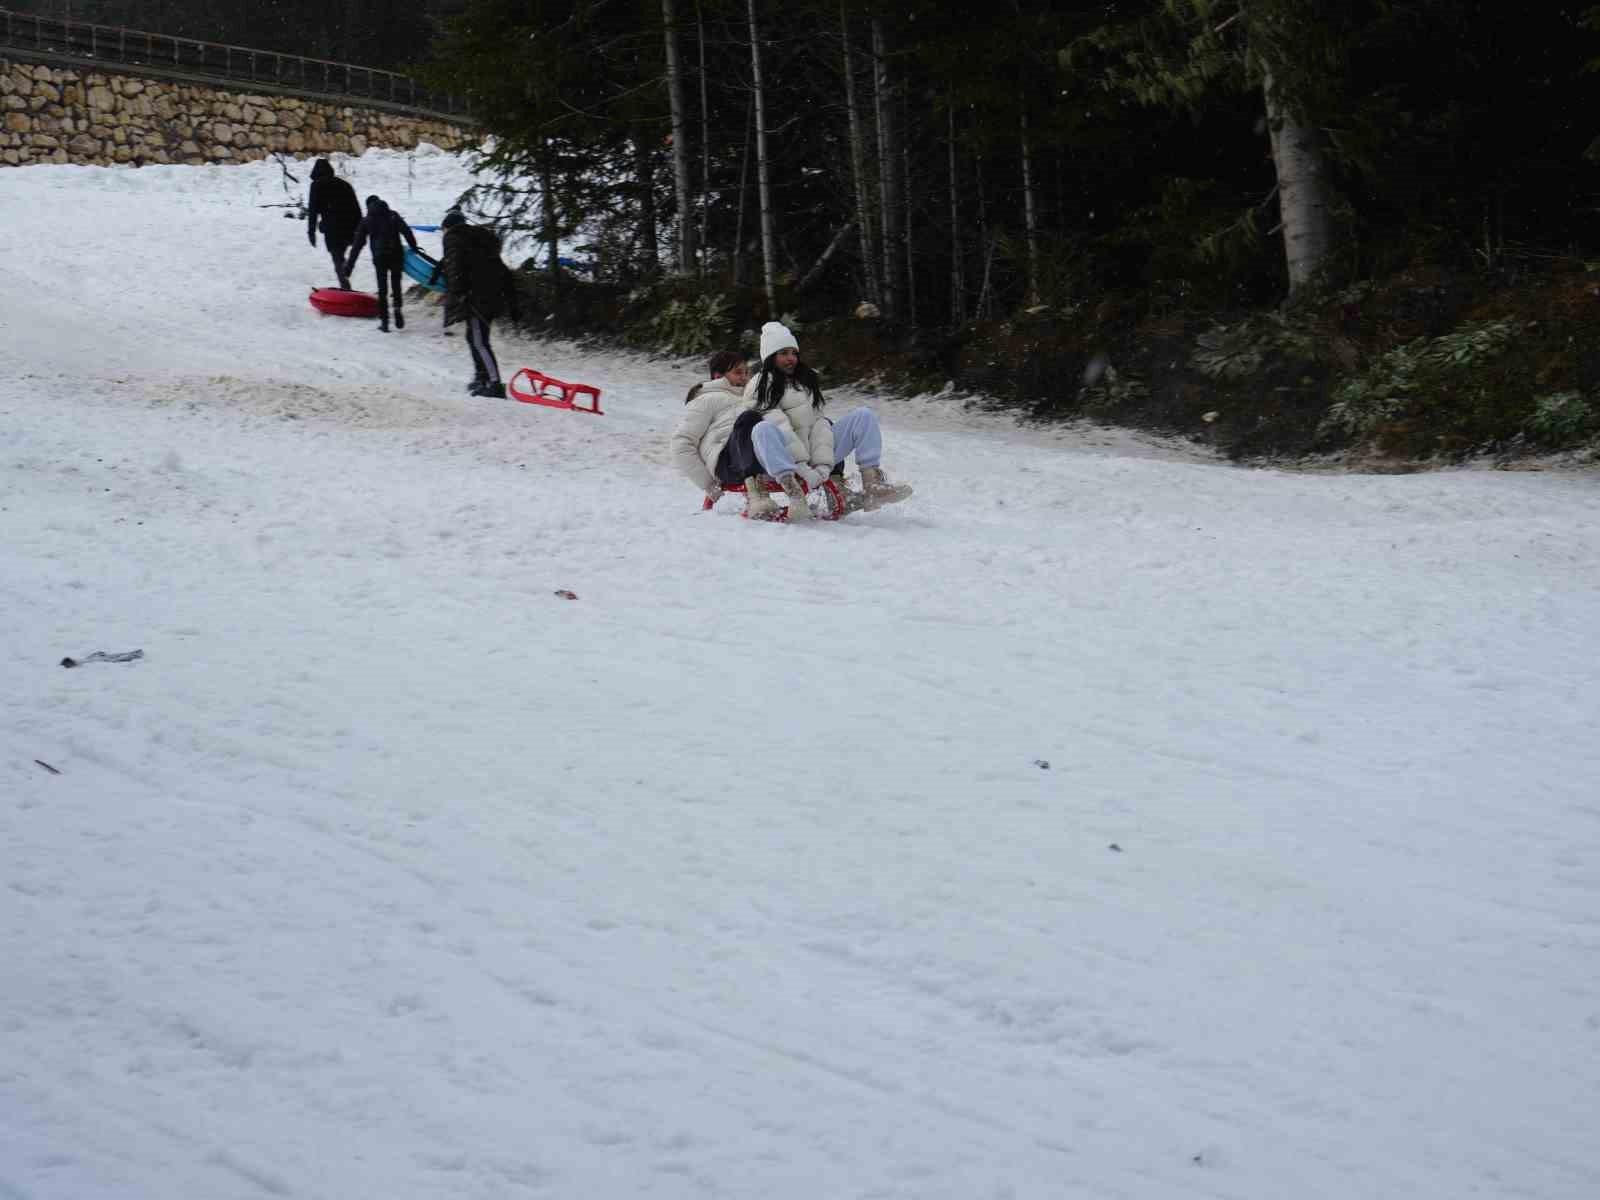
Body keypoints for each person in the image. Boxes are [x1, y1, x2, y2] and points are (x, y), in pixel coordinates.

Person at [740, 321, 912, 522]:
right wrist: (803, 469)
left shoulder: (804, 382)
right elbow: (781, 428)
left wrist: (822, 467)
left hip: (813, 457)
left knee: (863, 416)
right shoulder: (759, 384)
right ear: (770, 357)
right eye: (784, 353)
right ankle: (794, 493)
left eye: (794, 353)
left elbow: (820, 425)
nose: (791, 359)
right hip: (782, 460)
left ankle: (872, 484)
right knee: (763, 428)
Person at [431, 209, 521, 397]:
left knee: (479, 341)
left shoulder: (454, 239)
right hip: (490, 294)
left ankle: (495, 384)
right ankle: (482, 377)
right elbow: (501, 271)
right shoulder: (478, 242)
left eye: (443, 231)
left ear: (447, 228)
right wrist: (512, 301)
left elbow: (454, 267)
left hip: (477, 297)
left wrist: (456, 294)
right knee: (473, 337)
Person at [670, 349, 762, 513]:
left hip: (757, 460)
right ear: (718, 377)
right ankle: (757, 496)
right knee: (748, 419)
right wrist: (709, 485)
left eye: (747, 372)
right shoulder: (707, 399)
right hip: (728, 465)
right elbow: (681, 443)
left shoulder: (749, 399)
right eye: (738, 372)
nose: (745, 377)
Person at [343, 194, 419, 333]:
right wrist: (414, 247)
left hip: (380, 258)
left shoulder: (367, 220)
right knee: (396, 283)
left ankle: (384, 323)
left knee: (382, 289)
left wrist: (349, 267)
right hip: (396, 254)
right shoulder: (393, 215)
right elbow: (407, 232)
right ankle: (397, 308)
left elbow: (357, 246)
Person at [306, 159, 361, 290]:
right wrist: (360, 229)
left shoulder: (316, 186)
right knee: (340, 255)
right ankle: (345, 270)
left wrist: (311, 232)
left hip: (333, 230)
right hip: (349, 227)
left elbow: (313, 211)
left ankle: (345, 285)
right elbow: (356, 207)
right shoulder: (344, 184)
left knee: (337, 257)